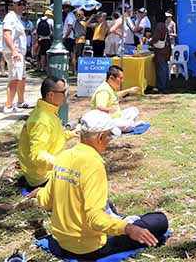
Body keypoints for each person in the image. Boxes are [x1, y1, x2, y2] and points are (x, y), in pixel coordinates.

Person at [29, 110, 169, 260]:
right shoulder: (93, 165)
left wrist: (39, 193)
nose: (110, 141)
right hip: (88, 247)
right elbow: (95, 219)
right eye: (109, 136)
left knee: (104, 202)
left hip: (62, 241)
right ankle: (127, 222)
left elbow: (48, 201)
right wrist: (128, 229)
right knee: (159, 221)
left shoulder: (63, 157)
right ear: (101, 137)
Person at [18, 76, 78, 190]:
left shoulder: (49, 111)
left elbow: (55, 136)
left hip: (52, 169)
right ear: (50, 95)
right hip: (43, 177)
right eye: (63, 92)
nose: (66, 95)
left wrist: (72, 133)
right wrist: (63, 165)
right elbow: (37, 155)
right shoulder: (41, 120)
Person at [2, 0, 30, 113]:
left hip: (20, 53)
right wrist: (14, 51)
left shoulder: (18, 18)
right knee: (14, 78)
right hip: (15, 53)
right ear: (14, 5)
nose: (22, 6)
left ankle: (20, 101)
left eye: (24, 4)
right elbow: (6, 34)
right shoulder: (10, 17)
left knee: (21, 77)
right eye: (19, 4)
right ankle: (8, 105)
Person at [91, 65, 140, 131]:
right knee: (128, 125)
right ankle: (127, 125)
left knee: (134, 110)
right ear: (111, 78)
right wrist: (109, 109)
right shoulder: (103, 90)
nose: (122, 81)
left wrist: (129, 90)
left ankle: (125, 124)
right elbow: (99, 107)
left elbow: (115, 95)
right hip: (105, 121)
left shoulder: (109, 87)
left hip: (115, 117)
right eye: (120, 78)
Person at [150, 21, 171, 92]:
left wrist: (150, 42)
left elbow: (156, 37)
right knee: (165, 68)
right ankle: (166, 85)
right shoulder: (165, 26)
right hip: (166, 50)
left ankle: (161, 86)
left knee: (161, 69)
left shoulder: (160, 25)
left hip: (160, 52)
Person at [62, 1, 77, 73]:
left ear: (69, 8)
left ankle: (73, 71)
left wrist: (64, 37)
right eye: (64, 7)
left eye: (66, 7)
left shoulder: (70, 16)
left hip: (69, 38)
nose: (64, 9)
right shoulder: (70, 15)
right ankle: (73, 71)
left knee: (70, 55)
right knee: (71, 55)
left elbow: (69, 28)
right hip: (70, 37)